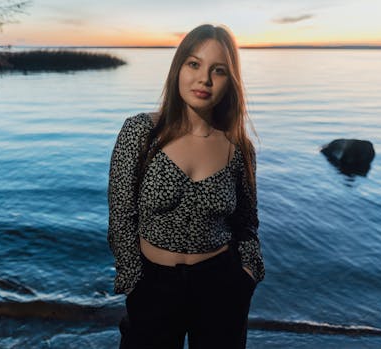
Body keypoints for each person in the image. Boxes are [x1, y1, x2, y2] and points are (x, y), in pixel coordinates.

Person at [107, 23, 265, 349]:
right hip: (153, 286)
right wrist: (135, 280)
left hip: (221, 286)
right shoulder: (141, 133)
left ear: (230, 82)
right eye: (194, 64)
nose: (204, 79)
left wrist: (248, 275)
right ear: (178, 67)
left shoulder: (238, 148)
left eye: (218, 70)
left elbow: (247, 223)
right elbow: (121, 215)